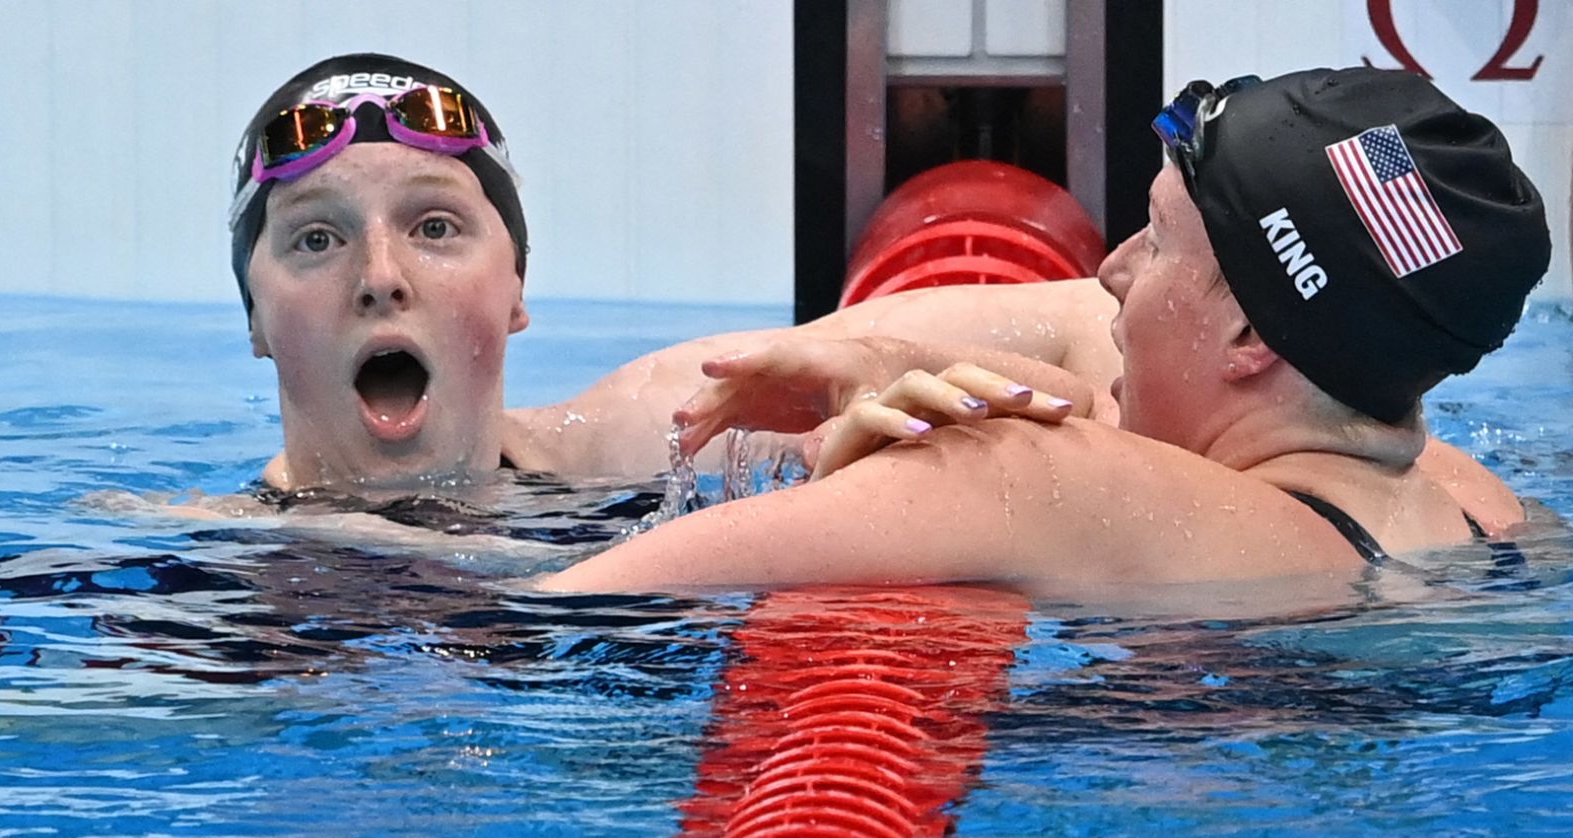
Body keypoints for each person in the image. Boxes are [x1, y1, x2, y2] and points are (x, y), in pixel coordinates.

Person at [538, 66, 1551, 593]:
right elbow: (1118, 429)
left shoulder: (1031, 483)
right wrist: (892, 363)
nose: (1107, 272)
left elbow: (564, 606)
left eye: (1153, 244)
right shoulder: (1473, 504)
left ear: (1249, 334)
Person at [227, 53, 1107, 494]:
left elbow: (1093, 322)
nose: (381, 275)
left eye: (435, 226)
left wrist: (883, 364)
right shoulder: (194, 588)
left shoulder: (671, 428)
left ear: (517, 291)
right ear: (257, 319)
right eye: (315, 240)